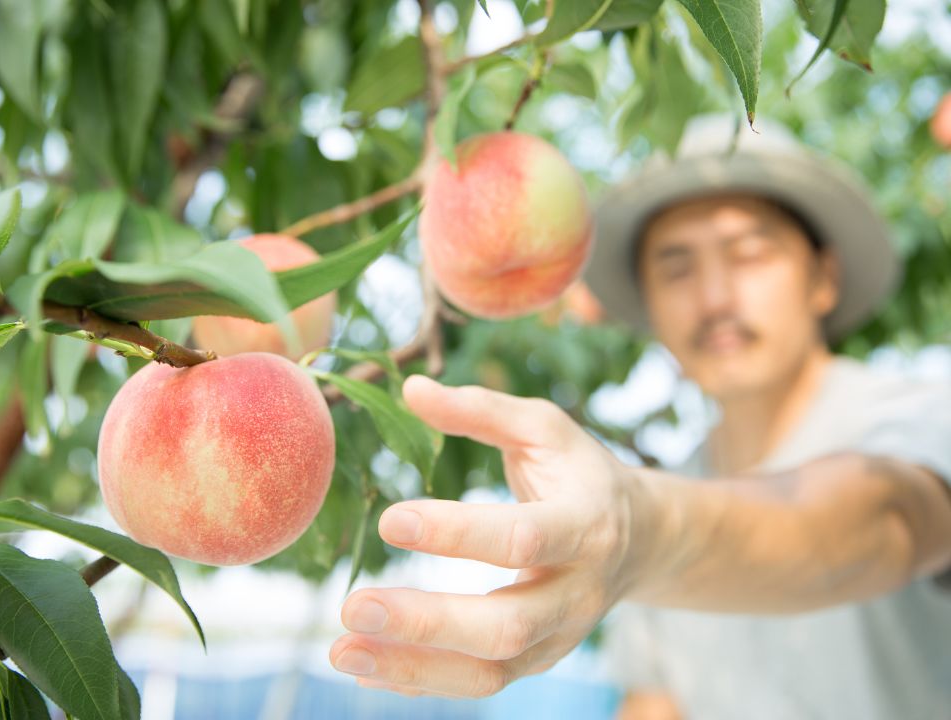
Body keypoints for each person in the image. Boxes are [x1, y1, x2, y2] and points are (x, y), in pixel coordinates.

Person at [327, 114, 951, 719]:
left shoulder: (919, 420)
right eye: (676, 268)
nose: (714, 298)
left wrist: (643, 531)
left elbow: (887, 521)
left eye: (750, 253)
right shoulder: (670, 486)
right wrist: (638, 533)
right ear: (650, 307)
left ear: (823, 277)